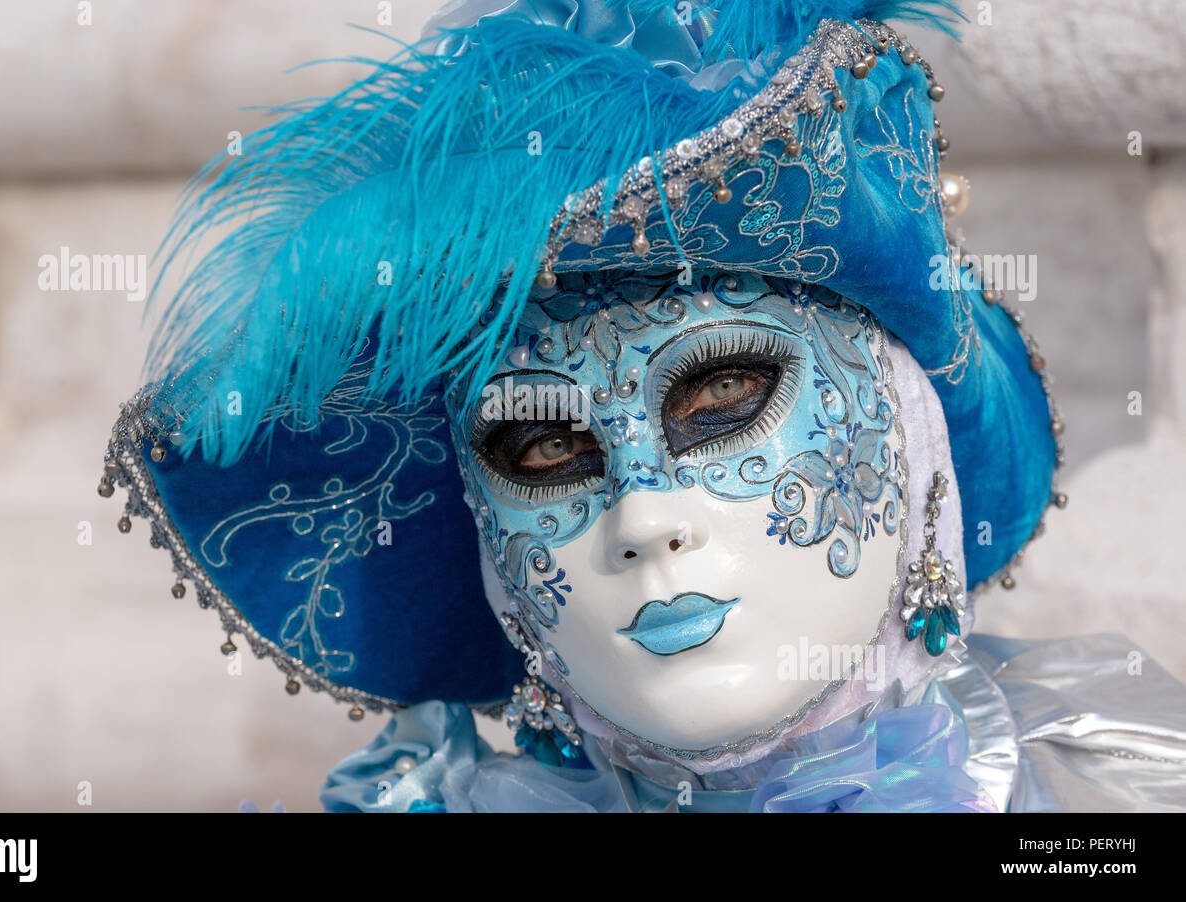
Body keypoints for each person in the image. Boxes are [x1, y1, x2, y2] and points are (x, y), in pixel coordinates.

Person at [101, 0, 1186, 811]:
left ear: (910, 446)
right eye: (541, 446)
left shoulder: (1107, 798)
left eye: (722, 395)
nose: (640, 518)